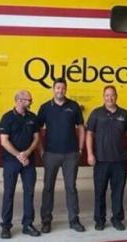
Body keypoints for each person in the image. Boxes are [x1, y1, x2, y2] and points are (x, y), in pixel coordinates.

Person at [86, 85, 127, 231]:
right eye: (107, 95)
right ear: (103, 97)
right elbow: (89, 133)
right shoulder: (96, 113)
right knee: (99, 192)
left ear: (116, 96)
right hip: (101, 161)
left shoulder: (124, 114)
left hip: (119, 161)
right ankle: (100, 220)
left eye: (112, 95)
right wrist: (90, 153)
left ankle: (117, 219)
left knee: (118, 192)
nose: (110, 98)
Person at [37, 77, 86, 233]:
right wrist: (41, 151)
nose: (60, 91)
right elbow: (37, 131)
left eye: (63, 88)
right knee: (48, 188)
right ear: (53, 89)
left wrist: (80, 149)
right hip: (51, 154)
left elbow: (81, 128)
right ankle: (46, 220)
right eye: (58, 88)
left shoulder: (74, 106)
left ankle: (74, 220)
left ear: (66, 89)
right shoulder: (45, 107)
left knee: (71, 188)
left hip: (71, 154)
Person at [0, 90, 42, 239]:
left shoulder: (33, 118)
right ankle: (6, 226)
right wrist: (19, 155)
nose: (31, 102)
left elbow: (37, 138)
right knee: (8, 193)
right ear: (19, 100)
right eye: (28, 100)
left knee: (29, 193)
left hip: (29, 162)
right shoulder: (7, 118)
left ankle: (28, 224)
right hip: (11, 161)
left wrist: (28, 152)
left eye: (31, 99)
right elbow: (4, 141)